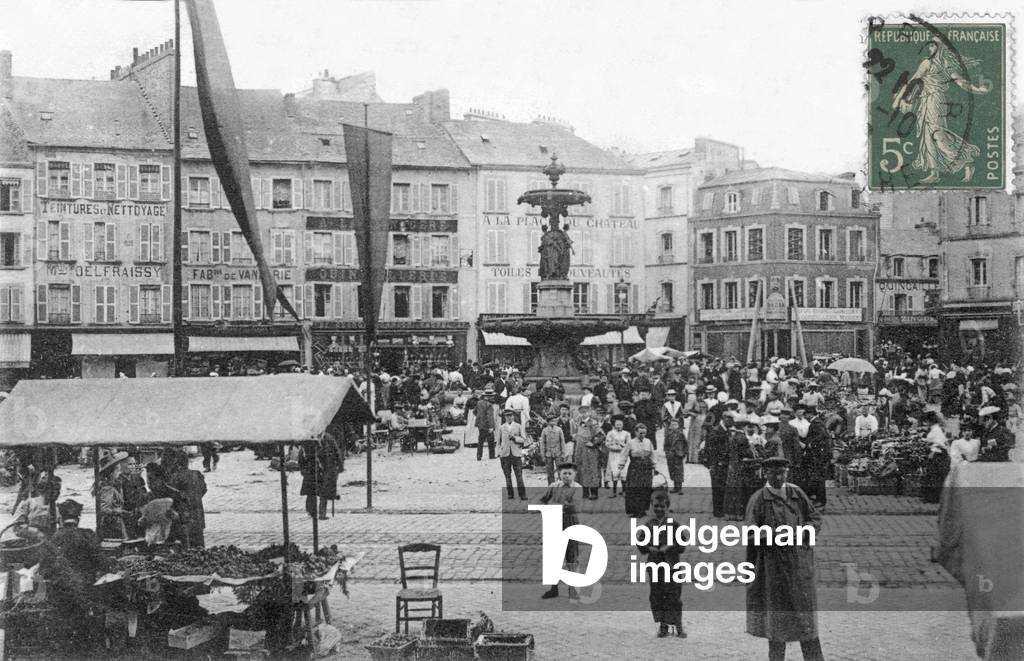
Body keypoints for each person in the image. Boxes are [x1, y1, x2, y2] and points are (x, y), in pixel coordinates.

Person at [745, 457, 825, 661]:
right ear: (766, 474)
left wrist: (806, 531)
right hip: (774, 569)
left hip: (799, 566)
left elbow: (814, 517)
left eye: (783, 473)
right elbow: (751, 534)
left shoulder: (796, 493)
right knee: (778, 622)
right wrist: (773, 536)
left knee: (806, 620)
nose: (779, 477)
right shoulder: (759, 499)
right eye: (774, 473)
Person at [636, 488, 687, 638]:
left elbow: (682, 544)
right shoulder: (648, 525)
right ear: (652, 506)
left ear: (668, 506)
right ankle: (663, 625)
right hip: (655, 565)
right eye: (656, 506)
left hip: (672, 566)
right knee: (657, 595)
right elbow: (640, 543)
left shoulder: (674, 525)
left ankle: (678, 625)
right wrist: (648, 547)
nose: (659, 509)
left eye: (662, 507)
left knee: (674, 596)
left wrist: (670, 546)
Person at [539, 462, 582, 600]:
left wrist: (556, 506)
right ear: (559, 474)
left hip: (570, 522)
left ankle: (572, 589)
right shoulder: (553, 486)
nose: (567, 476)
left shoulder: (578, 488)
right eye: (564, 473)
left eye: (570, 473)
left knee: (572, 557)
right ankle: (553, 588)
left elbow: (573, 506)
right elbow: (543, 500)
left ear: (575, 475)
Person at [299, 433, 343, 520]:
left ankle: (322, 514)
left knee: (324, 492)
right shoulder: (308, 439)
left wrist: (339, 465)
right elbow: (301, 457)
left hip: (326, 469)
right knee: (312, 492)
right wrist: (303, 469)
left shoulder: (329, 438)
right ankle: (311, 513)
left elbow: (337, 452)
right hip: (312, 469)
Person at [94, 451, 131, 540]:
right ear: (111, 472)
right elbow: (104, 509)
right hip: (113, 524)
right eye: (117, 469)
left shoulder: (111, 486)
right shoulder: (108, 488)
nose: (119, 472)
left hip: (114, 522)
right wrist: (119, 511)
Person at [725, 415, 754, 521]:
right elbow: (745, 452)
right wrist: (751, 450)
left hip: (733, 465)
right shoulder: (743, 437)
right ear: (743, 427)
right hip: (740, 466)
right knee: (740, 491)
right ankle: (739, 514)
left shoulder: (734, 436)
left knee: (732, 490)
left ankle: (729, 513)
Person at [572, 406, 605, 500]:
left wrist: (593, 443)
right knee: (581, 470)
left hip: (590, 452)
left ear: (589, 413)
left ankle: (594, 493)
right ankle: (585, 492)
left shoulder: (593, 423)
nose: (583, 414)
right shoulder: (578, 422)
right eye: (581, 412)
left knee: (592, 470)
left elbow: (602, 436)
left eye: (585, 412)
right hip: (580, 451)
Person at [704, 412, 732, 518]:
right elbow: (711, 449)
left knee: (721, 487)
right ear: (725, 419)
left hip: (722, 464)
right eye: (730, 419)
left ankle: (720, 509)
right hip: (717, 465)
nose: (732, 422)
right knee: (718, 488)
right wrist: (713, 464)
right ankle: (718, 511)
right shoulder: (716, 431)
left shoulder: (725, 430)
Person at [624, 424, 655, 518]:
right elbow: (624, 454)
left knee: (645, 488)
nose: (642, 435)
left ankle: (643, 509)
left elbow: (652, 455)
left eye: (644, 433)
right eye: (640, 433)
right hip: (635, 468)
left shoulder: (648, 441)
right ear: (636, 432)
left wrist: (654, 466)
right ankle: (636, 511)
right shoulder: (630, 442)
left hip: (646, 468)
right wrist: (620, 466)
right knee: (635, 489)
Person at [496, 409, 528, 500]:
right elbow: (498, 442)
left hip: (516, 454)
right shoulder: (502, 427)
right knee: (507, 475)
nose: (509, 417)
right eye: (507, 416)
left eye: (511, 415)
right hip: (505, 454)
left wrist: (515, 438)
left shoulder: (518, 426)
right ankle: (510, 494)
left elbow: (523, 439)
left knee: (519, 475)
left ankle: (522, 494)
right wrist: (499, 452)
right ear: (505, 417)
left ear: (513, 416)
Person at [118, 455, 149, 538]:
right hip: (128, 515)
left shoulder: (137, 478)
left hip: (140, 513)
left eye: (134, 464)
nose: (133, 467)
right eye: (130, 464)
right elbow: (124, 500)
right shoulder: (119, 480)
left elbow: (144, 493)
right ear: (121, 465)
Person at [604, 416, 630, 499]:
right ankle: (614, 492)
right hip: (614, 454)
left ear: (623, 425)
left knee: (623, 472)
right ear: (614, 425)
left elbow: (629, 444)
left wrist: (622, 446)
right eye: (617, 424)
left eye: (620, 424)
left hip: (623, 454)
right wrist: (613, 447)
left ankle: (624, 491)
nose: (619, 426)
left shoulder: (626, 433)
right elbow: (607, 443)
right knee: (615, 472)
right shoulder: (610, 433)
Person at [538, 414, 565, 486]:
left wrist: (563, 453)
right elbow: (542, 443)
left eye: (554, 421)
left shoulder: (559, 429)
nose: (553, 422)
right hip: (548, 453)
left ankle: (562, 485)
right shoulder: (545, 430)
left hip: (558, 452)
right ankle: (551, 486)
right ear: (548, 422)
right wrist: (543, 455)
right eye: (551, 421)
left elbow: (562, 442)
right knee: (549, 471)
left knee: (560, 470)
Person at [663, 418, 687, 493]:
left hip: (679, 454)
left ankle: (679, 488)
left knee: (679, 471)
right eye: (672, 425)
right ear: (670, 426)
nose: (674, 426)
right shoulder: (668, 434)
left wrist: (684, 453)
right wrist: (667, 453)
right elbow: (666, 445)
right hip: (671, 455)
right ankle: (675, 486)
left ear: (678, 426)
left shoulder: (681, 434)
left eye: (675, 425)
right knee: (672, 470)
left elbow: (685, 444)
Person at [475, 388, 499, 461]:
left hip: (480, 425)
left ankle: (479, 456)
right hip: (487, 425)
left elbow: (474, 412)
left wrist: (479, 419)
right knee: (491, 441)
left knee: (480, 441)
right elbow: (490, 417)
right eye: (492, 396)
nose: (492, 397)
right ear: (489, 396)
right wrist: (491, 427)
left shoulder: (479, 403)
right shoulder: (489, 405)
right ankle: (491, 455)